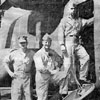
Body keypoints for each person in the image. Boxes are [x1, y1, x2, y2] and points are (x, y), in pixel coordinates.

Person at [58, 0, 94, 85]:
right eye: (71, 9)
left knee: (86, 57)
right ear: (68, 10)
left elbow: (89, 22)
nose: (73, 10)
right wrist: (62, 44)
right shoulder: (64, 20)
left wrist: (97, 15)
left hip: (76, 42)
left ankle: (82, 78)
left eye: (74, 9)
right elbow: (60, 32)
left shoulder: (79, 20)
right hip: (68, 42)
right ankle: (65, 88)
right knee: (68, 65)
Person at [34, 33, 69, 100]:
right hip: (42, 78)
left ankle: (63, 94)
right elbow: (41, 69)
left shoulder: (52, 52)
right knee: (42, 98)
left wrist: (59, 67)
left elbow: (60, 61)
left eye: (49, 42)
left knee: (64, 75)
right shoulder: (38, 54)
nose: (47, 44)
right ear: (42, 42)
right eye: (45, 42)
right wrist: (53, 71)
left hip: (52, 76)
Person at [3, 36, 35, 100]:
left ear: (27, 43)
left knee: (28, 97)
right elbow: (5, 62)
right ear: (18, 44)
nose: (23, 44)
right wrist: (10, 72)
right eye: (21, 43)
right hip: (17, 77)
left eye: (24, 42)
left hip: (27, 77)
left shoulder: (32, 53)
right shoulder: (14, 53)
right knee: (16, 96)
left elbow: (38, 61)